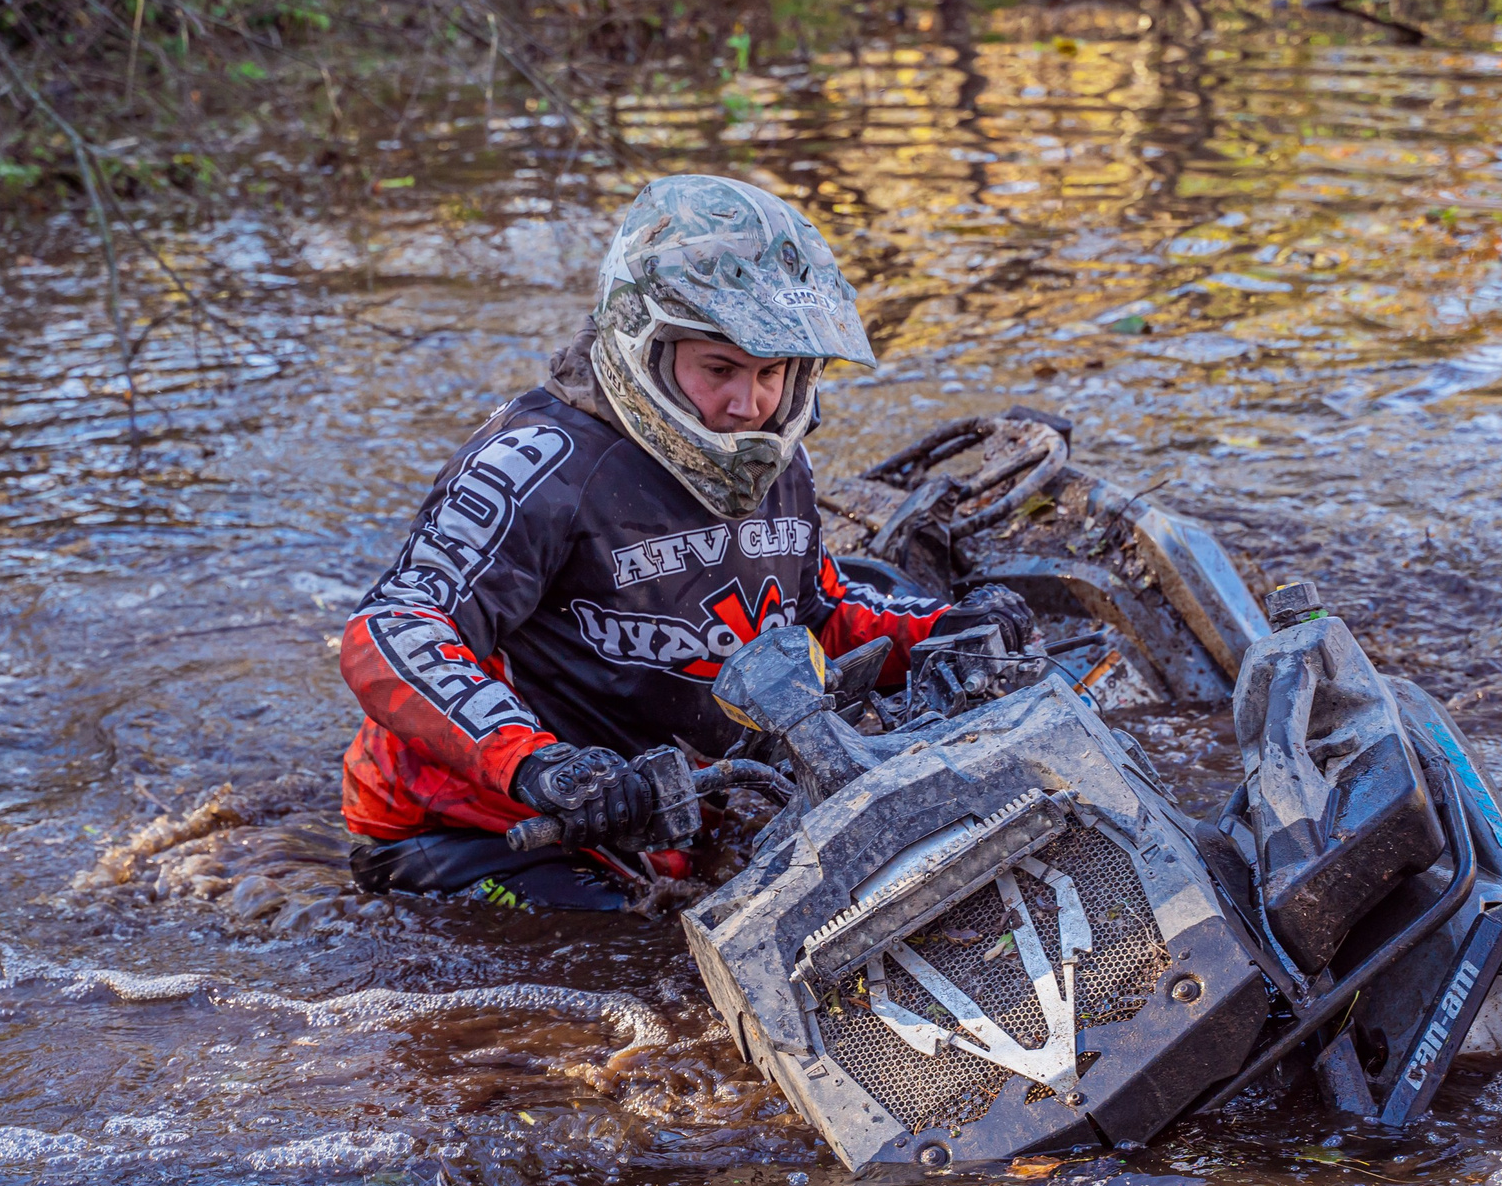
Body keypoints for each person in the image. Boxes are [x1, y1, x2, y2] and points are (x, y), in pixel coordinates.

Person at [339, 175, 1035, 910]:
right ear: (648, 346)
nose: (749, 403)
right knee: (647, 981)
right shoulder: (539, 463)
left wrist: (942, 629)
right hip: (480, 826)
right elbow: (392, 629)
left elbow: (814, 614)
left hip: (661, 809)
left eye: (773, 372)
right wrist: (544, 767)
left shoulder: (777, 455)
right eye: (721, 369)